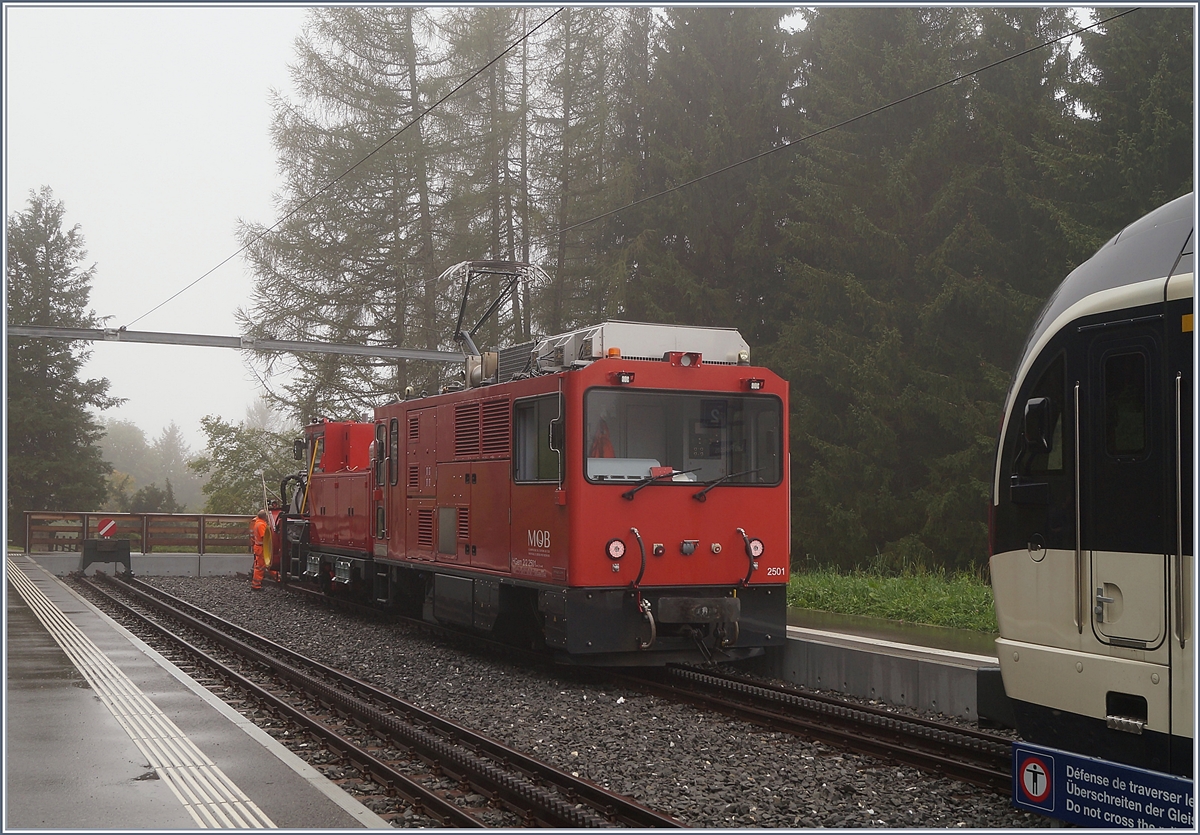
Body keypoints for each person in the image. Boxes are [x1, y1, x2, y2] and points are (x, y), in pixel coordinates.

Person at [250, 510, 269, 591]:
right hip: (261, 548)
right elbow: (264, 536)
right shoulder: (261, 525)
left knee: (262, 565)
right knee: (260, 567)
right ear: (265, 517)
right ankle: (256, 586)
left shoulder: (257, 523)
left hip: (259, 547)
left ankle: (278, 578)